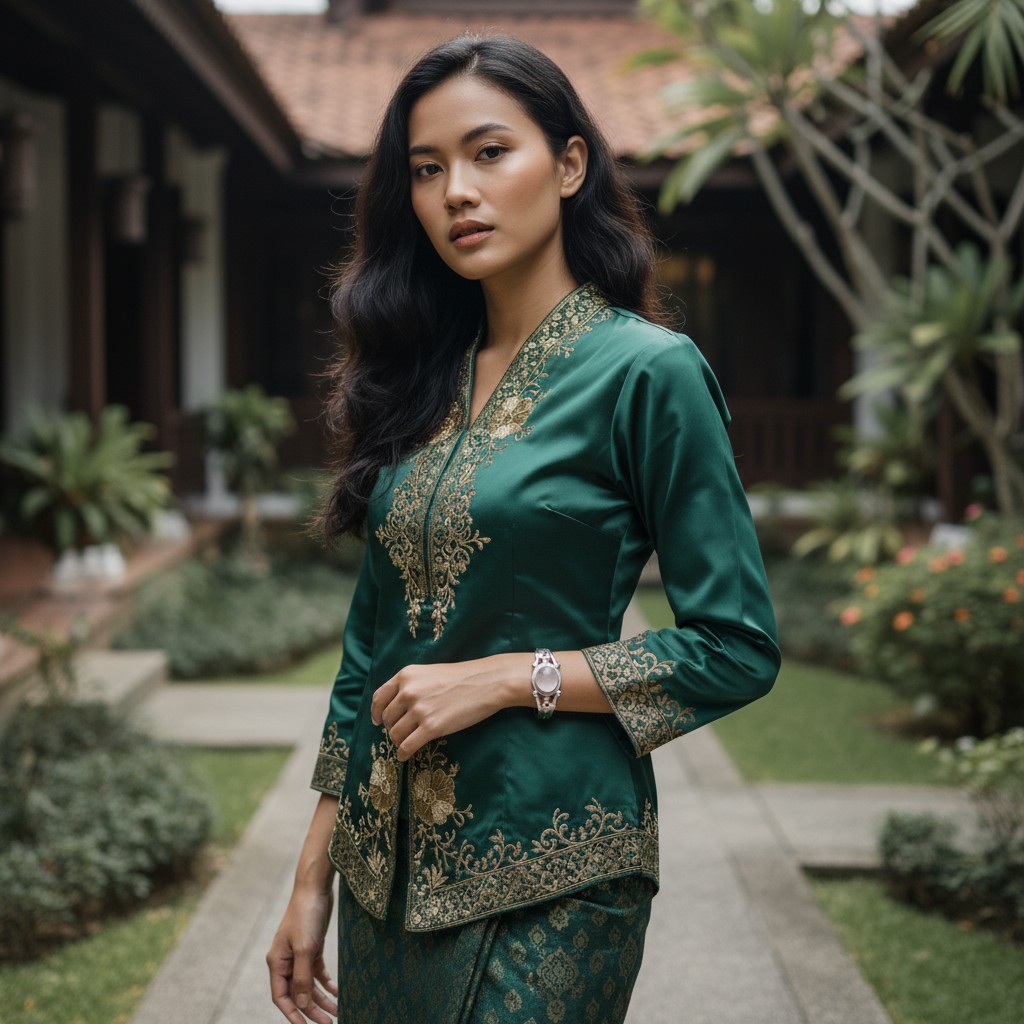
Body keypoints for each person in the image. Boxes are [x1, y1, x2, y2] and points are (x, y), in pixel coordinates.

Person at [267, 33, 780, 1024]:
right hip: (384, 884)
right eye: (427, 169)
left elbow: (736, 646)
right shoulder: (420, 375)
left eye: (488, 151)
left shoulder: (646, 372)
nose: (456, 189)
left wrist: (510, 675)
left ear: (570, 163)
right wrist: (310, 874)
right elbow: (369, 650)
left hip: (555, 865)